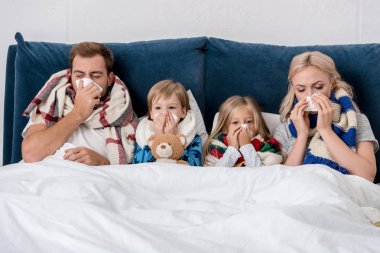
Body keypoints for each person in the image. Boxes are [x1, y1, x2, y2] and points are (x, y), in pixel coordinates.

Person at [22, 42, 138, 165]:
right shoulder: (51, 103)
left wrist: (102, 162)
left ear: (109, 79)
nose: (87, 81)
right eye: (79, 75)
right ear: (71, 76)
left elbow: (132, 171)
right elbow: (30, 154)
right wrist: (78, 112)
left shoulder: (122, 112)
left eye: (96, 75)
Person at [273, 51, 378, 181]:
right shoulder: (284, 129)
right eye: (301, 89)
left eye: (318, 86)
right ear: (294, 89)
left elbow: (367, 176)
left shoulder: (356, 121)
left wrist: (326, 130)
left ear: (332, 83)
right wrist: (302, 136)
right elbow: (283, 181)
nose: (309, 95)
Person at [132, 80, 202, 166]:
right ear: (151, 113)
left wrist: (172, 138)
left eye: (171, 107)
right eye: (158, 108)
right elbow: (137, 164)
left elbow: (194, 166)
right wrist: (159, 138)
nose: (164, 112)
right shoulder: (144, 133)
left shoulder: (193, 137)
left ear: (183, 112)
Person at [204, 95, 283, 167]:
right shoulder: (216, 146)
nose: (243, 127)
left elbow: (260, 174)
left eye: (249, 121)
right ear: (224, 127)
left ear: (257, 123)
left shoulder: (267, 146)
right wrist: (232, 148)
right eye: (235, 122)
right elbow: (216, 174)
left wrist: (246, 146)